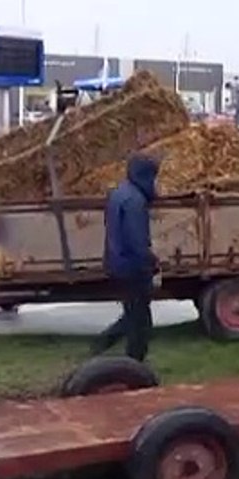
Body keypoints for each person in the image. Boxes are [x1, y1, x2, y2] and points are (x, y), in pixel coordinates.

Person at [92, 153, 161, 361]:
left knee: (134, 315)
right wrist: (151, 262)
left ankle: (104, 347)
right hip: (133, 267)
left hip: (117, 262)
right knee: (140, 321)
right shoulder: (135, 201)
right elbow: (136, 239)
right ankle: (133, 361)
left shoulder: (119, 193)